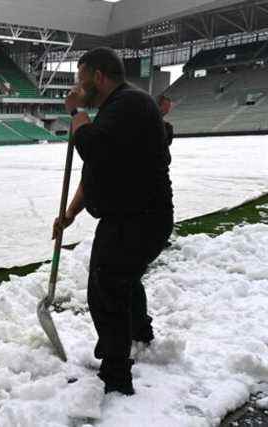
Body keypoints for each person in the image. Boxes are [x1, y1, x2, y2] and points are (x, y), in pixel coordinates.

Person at [53, 47, 173, 395]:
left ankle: (116, 373)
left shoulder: (128, 104)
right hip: (136, 218)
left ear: (98, 77)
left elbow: (92, 147)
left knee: (106, 288)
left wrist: (75, 112)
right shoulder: (119, 107)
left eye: (81, 78)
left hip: (138, 219)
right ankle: (140, 334)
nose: (77, 86)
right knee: (124, 279)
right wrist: (70, 213)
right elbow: (97, 172)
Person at [158, 94, 174, 166]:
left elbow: (168, 143)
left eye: (169, 106)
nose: (167, 108)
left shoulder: (168, 126)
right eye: (165, 105)